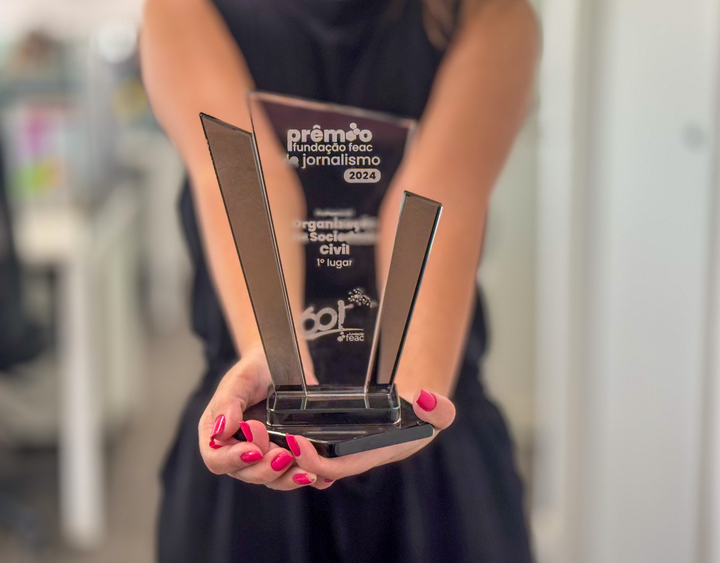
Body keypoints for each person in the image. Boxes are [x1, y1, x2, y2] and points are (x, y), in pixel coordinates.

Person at [140, 0, 539, 560]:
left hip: (429, 458)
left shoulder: (489, 13)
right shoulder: (181, 8)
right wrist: (273, 355)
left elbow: (435, 201)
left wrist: (406, 399)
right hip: (259, 422)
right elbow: (244, 175)